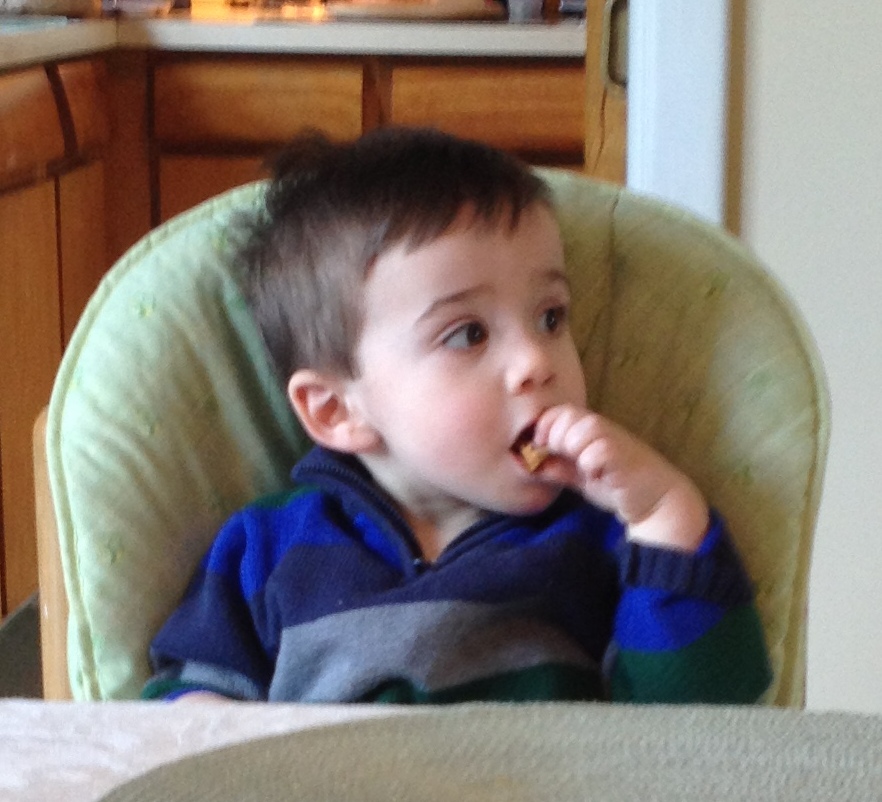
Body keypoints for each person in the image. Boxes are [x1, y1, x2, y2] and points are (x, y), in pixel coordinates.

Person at [143, 127, 772, 705]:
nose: (536, 362)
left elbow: (702, 723)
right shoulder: (265, 549)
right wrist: (203, 717)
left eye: (550, 317)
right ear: (337, 411)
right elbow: (182, 715)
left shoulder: (594, 542)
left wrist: (662, 513)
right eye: (468, 333)